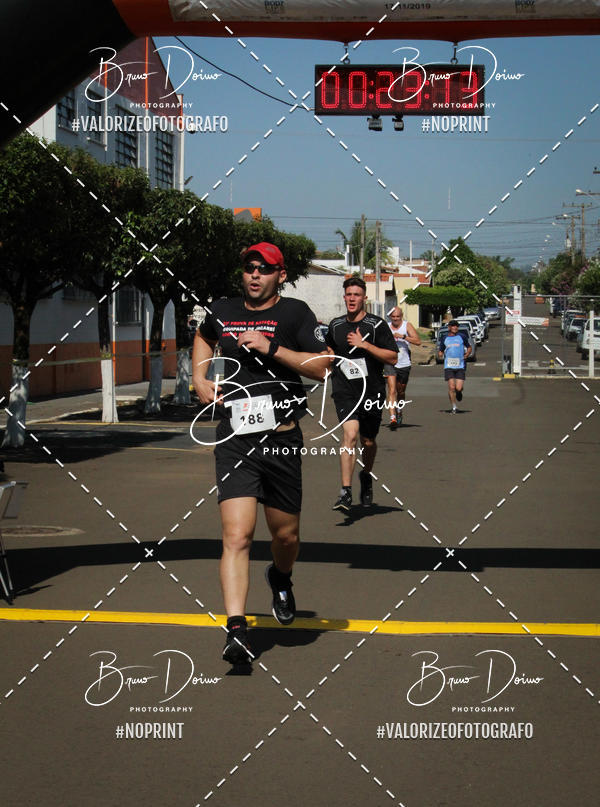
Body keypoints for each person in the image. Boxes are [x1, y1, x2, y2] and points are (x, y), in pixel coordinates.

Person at [192, 242, 330, 664]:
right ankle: (236, 630)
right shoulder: (222, 309)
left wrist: (272, 348)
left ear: (280, 275)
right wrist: (200, 381)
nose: (254, 275)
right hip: (234, 438)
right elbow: (202, 336)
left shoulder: (295, 314)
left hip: (282, 438)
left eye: (264, 269)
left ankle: (281, 575)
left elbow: (323, 365)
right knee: (237, 536)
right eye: (249, 268)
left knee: (284, 536)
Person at [325, 277, 398, 512]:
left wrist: (365, 345)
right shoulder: (335, 326)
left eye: (357, 294)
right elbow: (327, 350)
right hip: (344, 390)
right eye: (349, 294)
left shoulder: (376, 325)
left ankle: (366, 475)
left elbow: (392, 357)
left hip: (371, 391)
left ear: (364, 297)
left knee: (368, 440)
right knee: (350, 434)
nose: (352, 298)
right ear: (344, 297)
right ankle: (345, 491)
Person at [383, 306, 421, 429]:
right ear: (390, 317)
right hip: (390, 362)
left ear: (401, 316)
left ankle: (399, 410)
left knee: (401, 391)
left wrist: (403, 337)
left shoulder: (406, 326)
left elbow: (418, 341)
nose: (395, 319)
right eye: (393, 317)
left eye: (398, 317)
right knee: (392, 390)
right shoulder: (386, 327)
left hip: (404, 363)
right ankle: (392, 418)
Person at [438, 319, 472, 413]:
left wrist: (467, 354)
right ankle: (454, 406)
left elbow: (469, 347)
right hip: (448, 366)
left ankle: (459, 392)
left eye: (456, 326)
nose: (455, 327)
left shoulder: (462, 336)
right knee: (451, 387)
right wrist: (440, 354)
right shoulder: (445, 338)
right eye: (453, 326)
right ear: (449, 327)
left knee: (458, 388)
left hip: (460, 365)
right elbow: (441, 350)